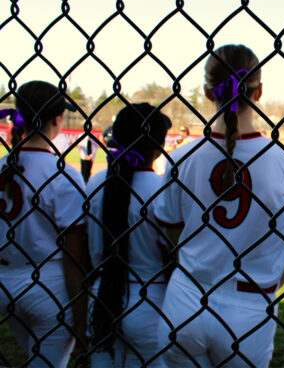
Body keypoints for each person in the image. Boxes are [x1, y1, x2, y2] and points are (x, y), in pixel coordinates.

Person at [154, 44, 284, 367]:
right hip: (250, 304)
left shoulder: (181, 158)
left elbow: (171, 228)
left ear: (209, 92)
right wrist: (277, 280)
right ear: (259, 92)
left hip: (187, 296)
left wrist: (199, 255)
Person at [0, 80, 88, 367]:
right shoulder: (62, 173)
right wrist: (80, 315)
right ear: (57, 119)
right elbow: (74, 255)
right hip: (48, 284)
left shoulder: (3, 164)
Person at [86, 103, 171, 367]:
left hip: (101, 293)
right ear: (158, 147)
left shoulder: (96, 181)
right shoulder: (162, 189)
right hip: (151, 299)